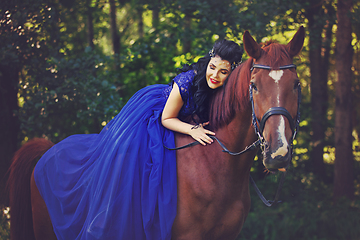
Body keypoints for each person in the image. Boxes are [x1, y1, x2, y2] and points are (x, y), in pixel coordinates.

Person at [34, 39, 243, 240]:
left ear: (231, 73)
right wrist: (192, 130)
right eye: (212, 67)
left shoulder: (225, 88)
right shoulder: (188, 80)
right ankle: (104, 217)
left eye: (223, 72)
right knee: (132, 158)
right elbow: (167, 118)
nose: (215, 75)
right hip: (157, 116)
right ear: (208, 62)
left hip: (185, 119)